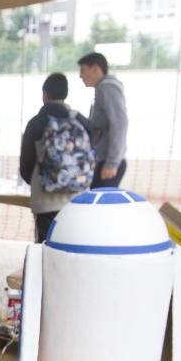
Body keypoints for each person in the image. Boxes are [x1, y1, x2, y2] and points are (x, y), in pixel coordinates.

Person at [19, 72, 94, 243]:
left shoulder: (36, 123)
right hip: (77, 200)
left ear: (44, 94)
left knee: (45, 248)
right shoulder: (81, 121)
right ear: (65, 94)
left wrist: (43, 180)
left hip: (45, 201)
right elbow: (91, 156)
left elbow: (25, 166)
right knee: (72, 247)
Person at [77, 52, 127, 188]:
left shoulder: (107, 88)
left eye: (83, 70)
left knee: (100, 207)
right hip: (101, 159)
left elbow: (120, 124)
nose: (80, 76)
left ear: (96, 69)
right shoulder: (101, 89)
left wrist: (112, 163)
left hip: (107, 162)